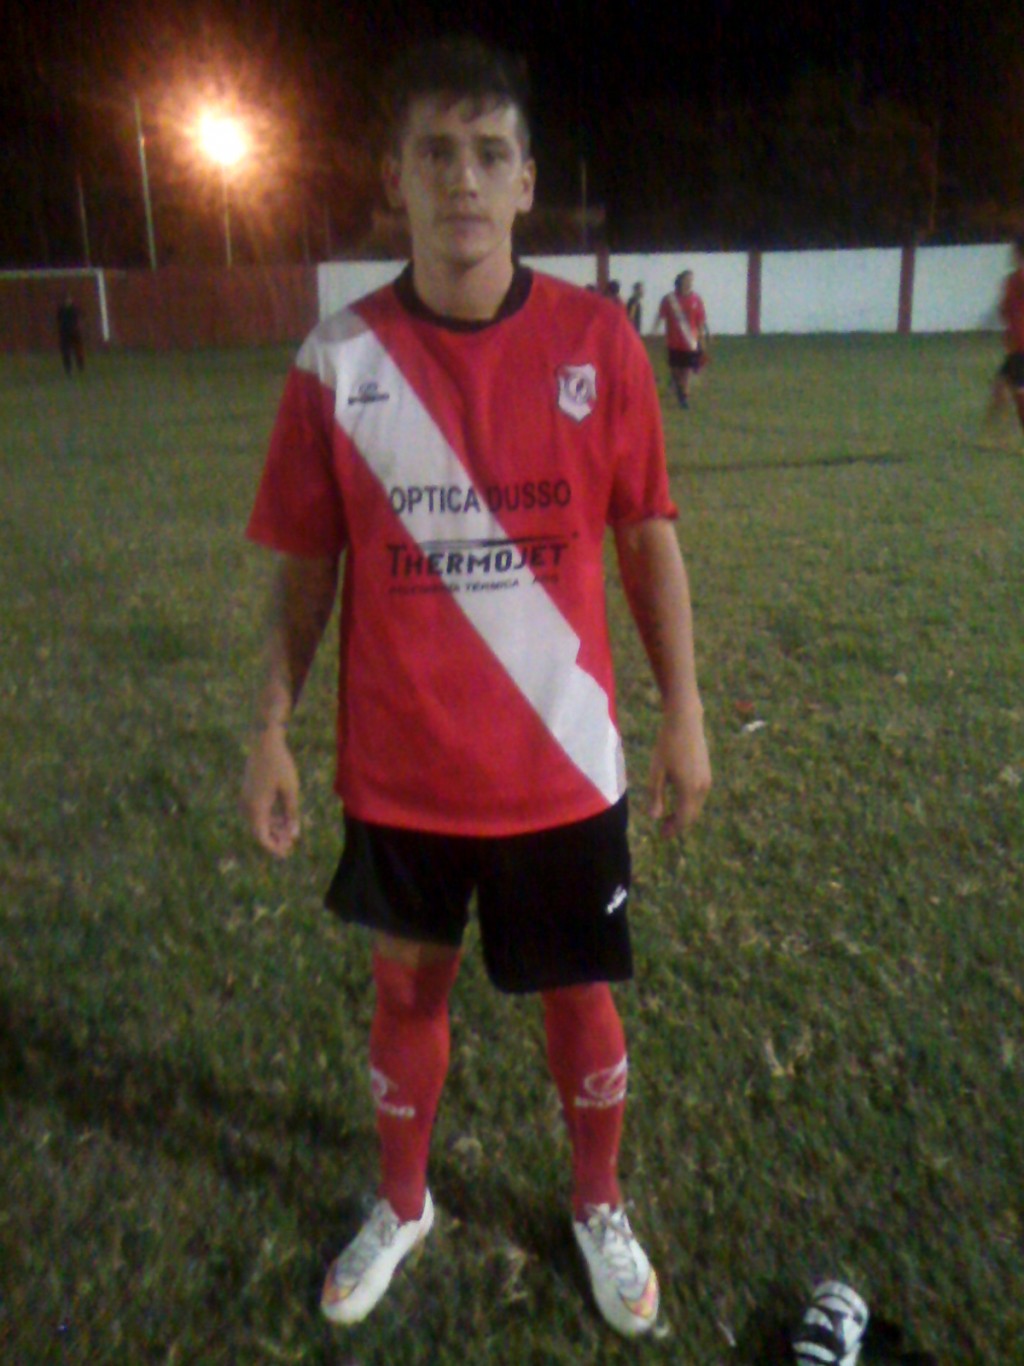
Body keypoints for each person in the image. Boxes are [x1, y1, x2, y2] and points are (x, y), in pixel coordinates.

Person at [241, 35, 710, 1341]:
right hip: (403, 773)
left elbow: (647, 536)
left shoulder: (598, 342)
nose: (462, 178)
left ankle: (597, 1200)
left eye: (488, 153)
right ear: (393, 177)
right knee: (406, 992)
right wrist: (271, 726)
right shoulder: (338, 360)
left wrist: (683, 711)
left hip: (561, 763)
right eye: (435, 152)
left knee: (579, 993)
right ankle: (403, 1201)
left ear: (526, 182)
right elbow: (304, 568)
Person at [986, 234, 1024, 440]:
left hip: (1020, 344)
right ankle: (991, 435)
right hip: (1016, 344)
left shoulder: (1015, 279)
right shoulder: (1014, 279)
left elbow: (1005, 309)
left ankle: (991, 434)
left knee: (1016, 391)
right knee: (1000, 386)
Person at [657, 270, 709, 408]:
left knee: (686, 371)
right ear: (680, 281)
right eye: (687, 280)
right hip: (673, 341)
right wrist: (654, 332)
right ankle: (677, 385)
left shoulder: (696, 299)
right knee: (675, 371)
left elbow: (700, 321)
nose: (689, 283)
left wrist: (702, 340)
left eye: (691, 280)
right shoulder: (669, 299)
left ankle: (683, 396)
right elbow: (661, 316)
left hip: (690, 342)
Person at [56, 294, 85, 375]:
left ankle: (78, 366)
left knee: (76, 350)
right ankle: (70, 368)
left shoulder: (69, 309)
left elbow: (59, 320)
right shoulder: (69, 309)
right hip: (68, 332)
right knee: (68, 351)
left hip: (71, 332)